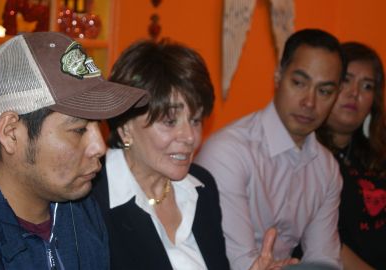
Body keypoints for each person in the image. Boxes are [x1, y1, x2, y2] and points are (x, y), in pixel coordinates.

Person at [0, 32, 149, 269]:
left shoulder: (79, 211)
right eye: (79, 129)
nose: (100, 147)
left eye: (100, 126)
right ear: (11, 133)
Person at [91, 39, 297, 270]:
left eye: (196, 120)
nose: (190, 137)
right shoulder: (89, 198)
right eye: (169, 121)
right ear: (125, 126)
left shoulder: (201, 187)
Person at [195, 29, 345, 270]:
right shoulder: (229, 152)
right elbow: (240, 263)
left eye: (325, 91)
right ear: (277, 76)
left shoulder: (326, 168)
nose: (310, 102)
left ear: (336, 95)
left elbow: (324, 261)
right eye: (299, 83)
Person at [316, 42, 386, 270]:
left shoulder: (378, 153)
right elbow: (321, 241)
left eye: (367, 86)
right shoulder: (308, 154)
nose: (354, 93)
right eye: (346, 80)